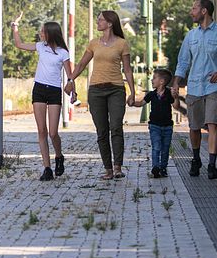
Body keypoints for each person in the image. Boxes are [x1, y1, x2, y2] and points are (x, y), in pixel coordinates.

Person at [65, 10, 136, 180]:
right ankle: (108, 169)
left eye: (101, 20)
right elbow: (82, 63)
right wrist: (70, 79)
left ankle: (118, 167)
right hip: (96, 91)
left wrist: (133, 92)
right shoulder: (93, 43)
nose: (98, 22)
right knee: (102, 131)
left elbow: (127, 69)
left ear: (110, 23)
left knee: (116, 127)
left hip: (116, 90)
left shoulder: (121, 44)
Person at [171, 0, 217, 179]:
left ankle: (212, 165)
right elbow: (183, 62)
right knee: (194, 126)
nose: (192, 12)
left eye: (194, 8)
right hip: (194, 86)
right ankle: (196, 158)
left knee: (213, 123)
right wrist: (176, 82)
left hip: (215, 86)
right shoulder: (191, 36)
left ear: (204, 11)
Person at [11, 13, 75, 181]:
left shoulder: (62, 53)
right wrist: (14, 26)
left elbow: (70, 75)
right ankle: (47, 168)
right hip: (39, 89)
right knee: (42, 130)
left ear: (51, 33)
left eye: (43, 31)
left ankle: (59, 157)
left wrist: (73, 90)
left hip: (54, 91)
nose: (40, 33)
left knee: (53, 132)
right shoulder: (40, 46)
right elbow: (18, 44)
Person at [132, 68, 180, 178]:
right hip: (154, 125)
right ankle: (155, 167)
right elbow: (141, 103)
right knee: (156, 146)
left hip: (167, 126)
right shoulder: (151, 94)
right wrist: (132, 103)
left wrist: (176, 97)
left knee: (165, 148)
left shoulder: (169, 93)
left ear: (162, 81)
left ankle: (163, 167)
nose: (152, 80)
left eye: (154, 78)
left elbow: (176, 106)